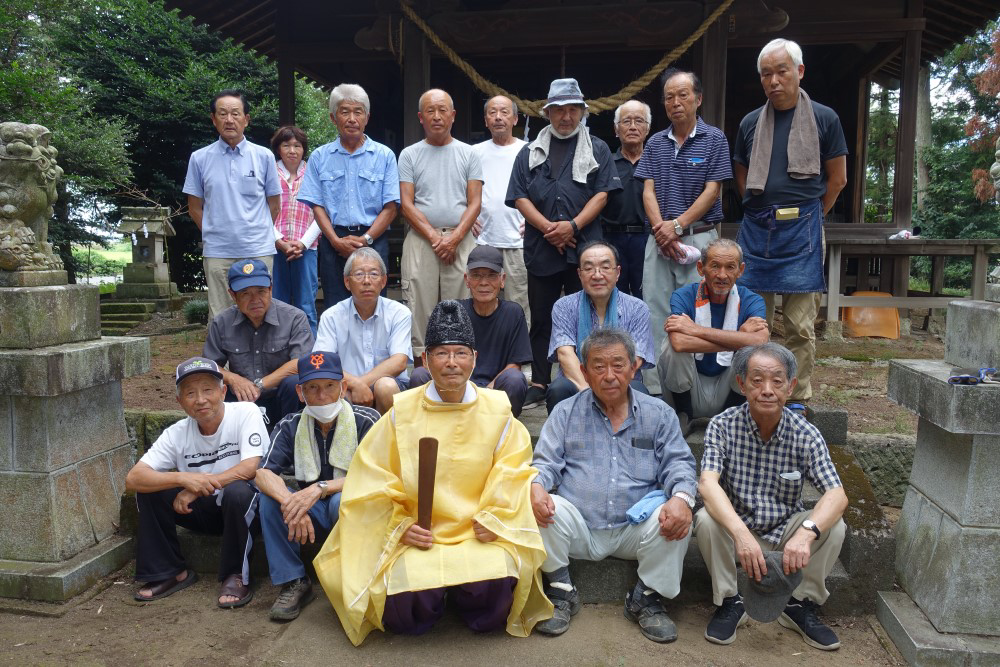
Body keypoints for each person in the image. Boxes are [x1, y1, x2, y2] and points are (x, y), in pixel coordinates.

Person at [314, 300, 552, 645]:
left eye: (460, 353)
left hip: (476, 529)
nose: (452, 362)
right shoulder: (402, 411)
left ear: (474, 358)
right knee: (405, 610)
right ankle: (437, 595)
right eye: (441, 353)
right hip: (419, 531)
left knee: (495, 593)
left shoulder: (497, 409)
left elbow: (512, 469)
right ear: (425, 360)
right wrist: (400, 526)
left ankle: (460, 595)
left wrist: (496, 518)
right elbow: (373, 477)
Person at [530, 328, 697, 642]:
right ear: (584, 372)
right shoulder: (565, 412)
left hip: (635, 529)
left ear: (634, 368)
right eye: (599, 366)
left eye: (618, 365)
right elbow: (545, 463)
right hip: (579, 526)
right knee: (536, 500)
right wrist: (537, 486)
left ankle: (646, 597)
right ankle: (560, 589)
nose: (609, 375)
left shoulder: (659, 414)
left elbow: (679, 463)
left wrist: (682, 498)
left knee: (678, 510)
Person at [695, 342, 848, 649]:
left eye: (777, 381)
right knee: (705, 519)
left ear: (790, 387)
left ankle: (800, 604)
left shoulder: (805, 434)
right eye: (757, 380)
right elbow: (707, 484)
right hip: (738, 532)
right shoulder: (722, 426)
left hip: (786, 532)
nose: (767, 390)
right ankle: (729, 601)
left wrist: (805, 533)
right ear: (742, 384)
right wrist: (741, 534)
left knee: (834, 526)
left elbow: (837, 494)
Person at [732, 39, 848, 411]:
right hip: (757, 228)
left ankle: (796, 396)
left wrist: (811, 214)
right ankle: (754, 391)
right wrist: (757, 207)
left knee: (800, 324)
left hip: (804, 228)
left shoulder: (824, 118)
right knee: (755, 321)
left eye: (781, 71)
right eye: (766, 74)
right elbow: (741, 173)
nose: (773, 81)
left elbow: (838, 179)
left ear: (799, 71)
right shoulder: (751, 122)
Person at [507, 77, 621, 409]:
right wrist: (549, 229)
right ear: (548, 113)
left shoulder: (597, 148)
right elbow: (519, 196)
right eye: (559, 110)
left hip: (585, 249)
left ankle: (583, 377)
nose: (566, 116)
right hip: (542, 246)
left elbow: (602, 194)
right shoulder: (529, 151)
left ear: (582, 112)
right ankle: (540, 380)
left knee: (587, 314)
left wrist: (571, 226)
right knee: (542, 316)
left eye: (573, 109)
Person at [125, 357, 266, 608]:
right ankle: (170, 572)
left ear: (223, 391)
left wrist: (199, 487)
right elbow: (134, 478)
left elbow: (251, 467)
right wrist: (183, 479)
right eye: (190, 393)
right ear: (179, 401)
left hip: (245, 511)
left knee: (238, 491)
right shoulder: (176, 433)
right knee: (149, 491)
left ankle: (236, 575)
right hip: (201, 511)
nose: (200, 399)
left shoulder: (246, 412)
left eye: (208, 390)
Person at [255, 351, 380, 621]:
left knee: (341, 500)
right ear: (300, 392)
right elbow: (263, 474)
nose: (322, 395)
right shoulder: (290, 425)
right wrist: (291, 503)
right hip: (308, 513)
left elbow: (378, 474)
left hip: (349, 510)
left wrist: (320, 487)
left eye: (329, 386)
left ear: (343, 388)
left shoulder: (367, 420)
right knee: (269, 499)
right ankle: (294, 581)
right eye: (312, 387)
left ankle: (353, 576)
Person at [635, 69, 733, 395]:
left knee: (699, 311)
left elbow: (712, 190)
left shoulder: (715, 139)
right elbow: (648, 190)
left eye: (683, 95)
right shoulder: (655, 143)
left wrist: (676, 226)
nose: (675, 102)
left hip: (699, 237)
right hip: (659, 239)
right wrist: (662, 230)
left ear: (698, 99)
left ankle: (694, 393)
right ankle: (656, 392)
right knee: (655, 311)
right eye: (669, 97)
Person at [297, 83, 400, 309]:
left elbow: (391, 207)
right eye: (345, 112)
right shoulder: (319, 157)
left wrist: (366, 240)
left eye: (358, 112)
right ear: (333, 118)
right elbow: (317, 206)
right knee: (336, 306)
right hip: (334, 241)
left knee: (374, 304)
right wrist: (335, 241)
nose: (352, 119)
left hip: (373, 239)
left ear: (367, 117)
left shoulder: (384, 156)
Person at [183, 89, 282, 321]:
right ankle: (222, 350)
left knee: (260, 312)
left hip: (258, 250)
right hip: (218, 251)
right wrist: (214, 232)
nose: (229, 119)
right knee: (220, 316)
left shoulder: (264, 156)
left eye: (235, 113)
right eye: (223, 114)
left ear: (246, 119)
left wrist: (255, 231)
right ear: (213, 119)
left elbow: (274, 205)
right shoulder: (199, 158)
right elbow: (194, 207)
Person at [399, 88, 483, 361]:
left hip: (460, 239)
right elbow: (406, 204)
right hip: (422, 240)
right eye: (430, 111)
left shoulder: (469, 153)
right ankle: (421, 370)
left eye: (442, 110)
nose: (436, 116)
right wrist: (436, 239)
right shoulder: (409, 154)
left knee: (462, 306)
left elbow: (475, 202)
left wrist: (454, 238)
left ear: (453, 115)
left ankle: (462, 364)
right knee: (418, 306)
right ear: (420, 117)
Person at [658, 238, 769, 434]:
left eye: (730, 267)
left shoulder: (752, 300)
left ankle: (731, 417)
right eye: (715, 266)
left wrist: (695, 330)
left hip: (728, 386)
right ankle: (684, 414)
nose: (722, 275)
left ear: (741, 270)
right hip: (690, 386)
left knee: (753, 352)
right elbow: (679, 342)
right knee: (670, 347)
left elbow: (760, 340)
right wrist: (738, 338)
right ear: (701, 268)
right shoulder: (683, 295)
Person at [409, 245, 532, 416]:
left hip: (494, 388)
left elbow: (515, 364)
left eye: (491, 275)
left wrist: (485, 393)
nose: (483, 282)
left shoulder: (513, 312)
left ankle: (501, 426)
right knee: (419, 374)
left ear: (502, 279)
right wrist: (462, 391)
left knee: (515, 379)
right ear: (467, 279)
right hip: (455, 385)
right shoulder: (454, 310)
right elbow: (437, 357)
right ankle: (435, 422)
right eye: (476, 275)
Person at [202, 259, 315, 427]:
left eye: (261, 291)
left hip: (282, 396)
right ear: (233, 295)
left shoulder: (294, 318)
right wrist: (234, 379)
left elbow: (301, 362)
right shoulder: (222, 322)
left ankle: (291, 433)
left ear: (270, 289)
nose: (255, 299)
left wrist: (260, 384)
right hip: (241, 397)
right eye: (245, 293)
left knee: (294, 383)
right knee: (214, 386)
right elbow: (209, 365)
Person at [546, 240, 653, 413]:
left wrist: (609, 386)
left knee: (638, 389)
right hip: (578, 382)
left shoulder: (637, 308)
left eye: (605, 267)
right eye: (589, 268)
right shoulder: (564, 306)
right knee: (559, 389)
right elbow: (565, 353)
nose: (597, 275)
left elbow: (636, 358)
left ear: (617, 272)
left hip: (620, 382)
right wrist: (590, 394)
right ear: (579, 274)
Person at [313, 247, 412, 414]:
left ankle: (388, 432)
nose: (367, 281)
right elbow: (323, 362)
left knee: (385, 386)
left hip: (389, 387)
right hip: (348, 387)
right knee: (337, 393)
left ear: (383, 281)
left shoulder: (399, 313)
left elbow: (399, 361)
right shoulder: (331, 316)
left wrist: (362, 384)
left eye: (373, 274)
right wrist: (355, 385)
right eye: (359, 274)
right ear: (347, 282)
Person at [472, 95, 530, 327]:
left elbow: (542, 190)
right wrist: (467, 217)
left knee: (520, 304)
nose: (498, 117)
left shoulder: (529, 150)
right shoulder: (473, 152)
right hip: (482, 240)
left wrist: (535, 220)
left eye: (504, 112)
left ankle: (520, 350)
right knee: (482, 301)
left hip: (519, 241)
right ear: (485, 120)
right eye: (492, 112)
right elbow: (460, 190)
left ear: (515, 119)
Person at [270, 125, 320, 334]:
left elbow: (322, 211)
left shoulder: (313, 173)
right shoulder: (269, 171)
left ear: (303, 149)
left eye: (297, 145)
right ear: (278, 148)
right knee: (275, 303)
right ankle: (277, 349)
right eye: (286, 145)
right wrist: (279, 241)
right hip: (273, 247)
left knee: (306, 305)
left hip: (306, 248)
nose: (292, 150)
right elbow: (260, 210)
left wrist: (303, 243)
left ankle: (309, 351)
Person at [602, 100, 652, 298]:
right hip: (611, 239)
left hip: (647, 239)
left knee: (647, 296)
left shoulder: (655, 162)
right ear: (616, 129)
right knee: (612, 297)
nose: (632, 127)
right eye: (626, 121)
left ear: (647, 129)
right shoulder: (605, 163)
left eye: (639, 121)